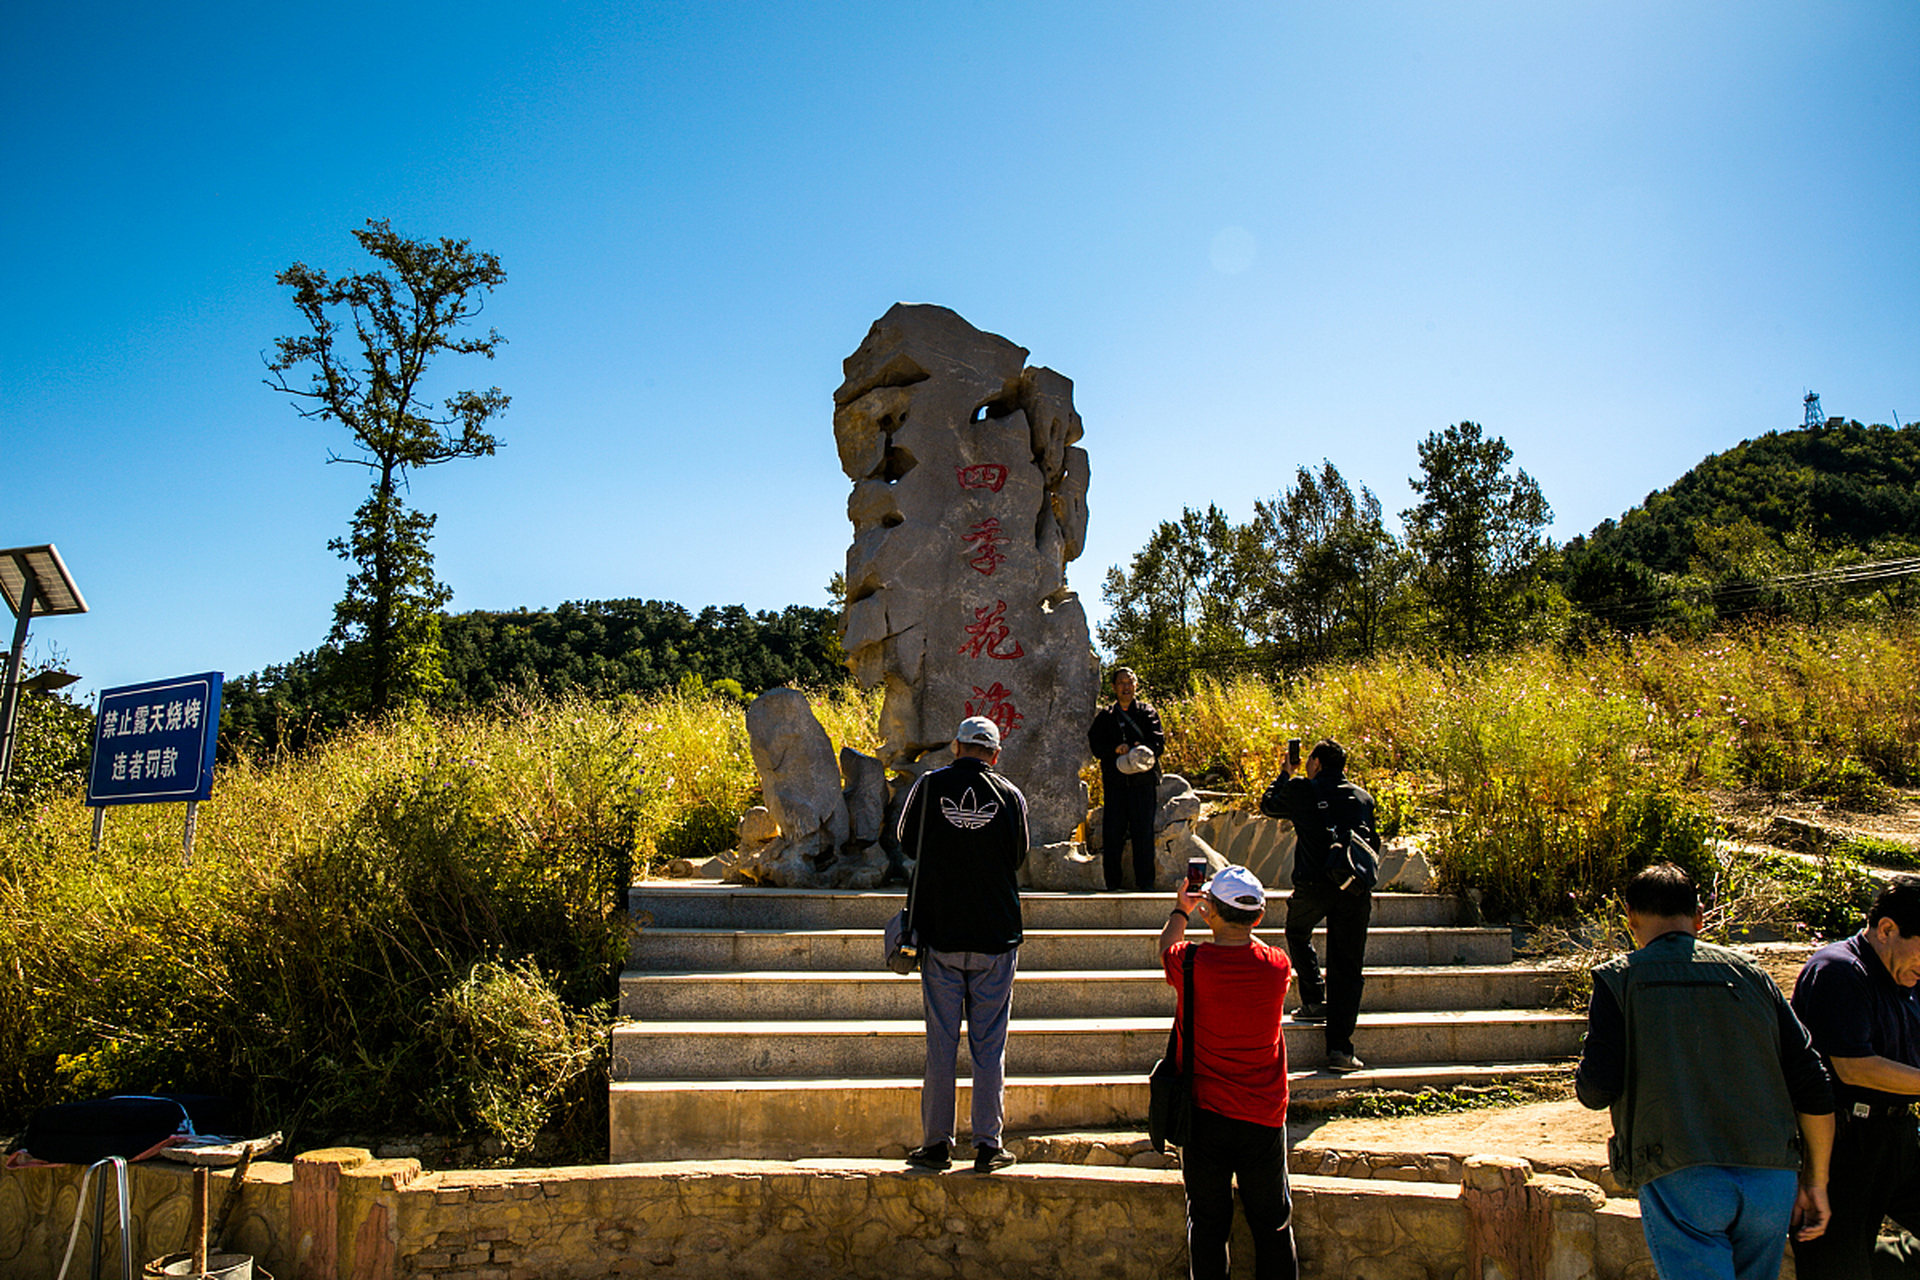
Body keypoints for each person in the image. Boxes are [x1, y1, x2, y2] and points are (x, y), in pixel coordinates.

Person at [1576, 863, 1834, 1280]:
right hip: (1771, 1179)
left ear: (1631, 918)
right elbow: (1813, 1082)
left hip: (1680, 1174)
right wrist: (1815, 1181)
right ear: (1699, 916)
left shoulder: (1619, 979)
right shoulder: (1753, 974)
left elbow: (1596, 1089)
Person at [897, 714, 1030, 1174]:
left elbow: (906, 843)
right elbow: (1018, 856)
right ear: (995, 754)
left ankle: (936, 1144)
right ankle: (989, 1145)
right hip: (996, 935)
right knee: (989, 1045)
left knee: (941, 1043)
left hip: (941, 933)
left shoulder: (930, 786)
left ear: (955, 746)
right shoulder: (1010, 795)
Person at [1159, 864, 1297, 1280]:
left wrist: (1181, 910)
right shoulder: (1277, 966)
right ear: (1259, 916)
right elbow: (1256, 945)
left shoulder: (1189, 962)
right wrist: (1241, 923)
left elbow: (1166, 946)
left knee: (1207, 1224)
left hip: (1204, 1112)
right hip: (1263, 1114)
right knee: (1273, 1224)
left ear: (1209, 912)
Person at [1789, 874, 1920, 1278]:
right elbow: (1853, 1066)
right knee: (1838, 1268)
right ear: (1887, 930)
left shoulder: (1907, 976)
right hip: (1842, 1145)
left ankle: (1882, 1261)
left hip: (1898, 1138)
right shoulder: (1839, 970)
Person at [1260, 737, 1374, 1072]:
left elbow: (1269, 805)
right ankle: (1340, 1050)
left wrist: (1285, 773)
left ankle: (1313, 999)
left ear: (1317, 763)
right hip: (1353, 889)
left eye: (1310, 760)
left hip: (1312, 886)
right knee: (1347, 968)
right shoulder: (1362, 798)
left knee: (1297, 932)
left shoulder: (1301, 789)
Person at [1088, 666, 1165, 891]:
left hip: (1143, 782)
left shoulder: (1147, 713)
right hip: (1116, 783)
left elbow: (1158, 742)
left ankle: (1145, 885)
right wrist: (1115, 749)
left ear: (1136, 685)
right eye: (1121, 682)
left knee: (1144, 833)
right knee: (1113, 834)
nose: (1126, 687)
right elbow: (1096, 746)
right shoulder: (1106, 717)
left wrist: (1141, 748)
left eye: (1130, 682)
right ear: (1113, 687)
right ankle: (1112, 884)